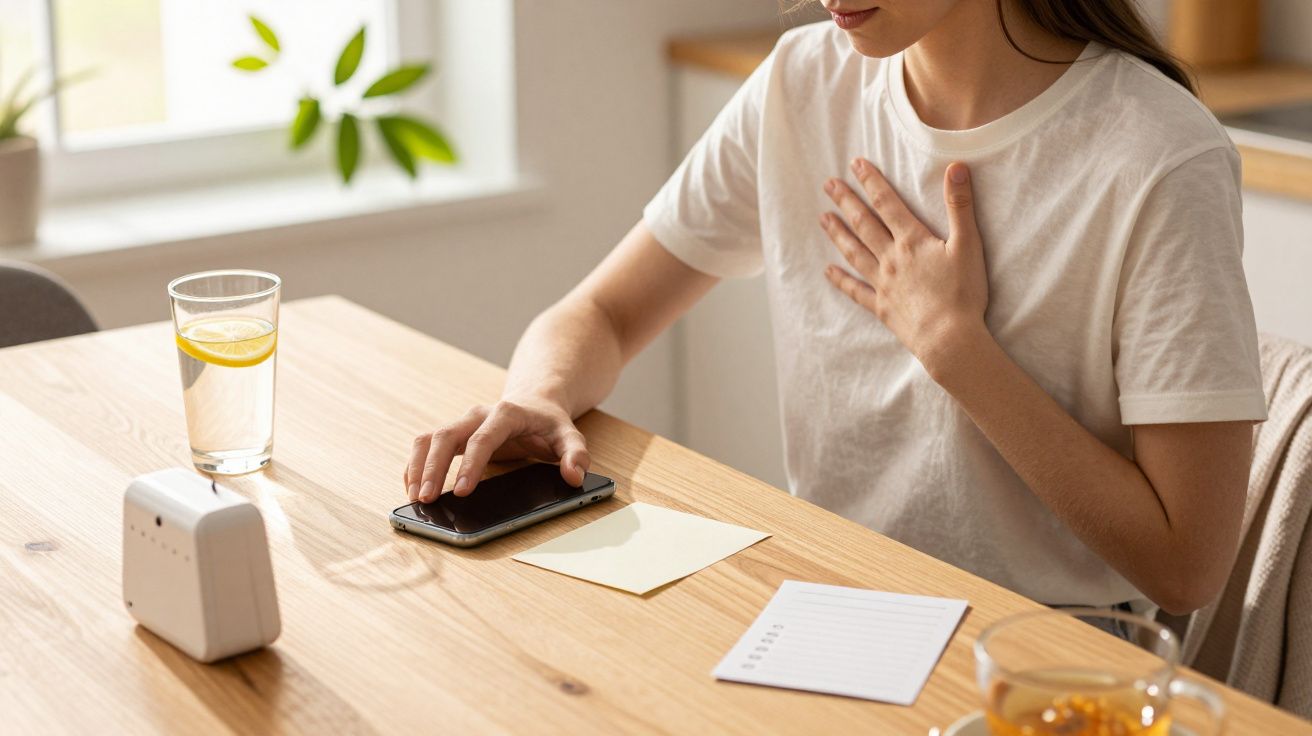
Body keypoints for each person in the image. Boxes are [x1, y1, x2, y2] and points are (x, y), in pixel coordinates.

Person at [403, 0, 1267, 616]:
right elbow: (602, 313)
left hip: (1053, 644)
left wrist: (956, 350)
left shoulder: (1156, 153)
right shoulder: (801, 83)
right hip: (831, 602)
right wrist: (542, 394)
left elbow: (1186, 566)